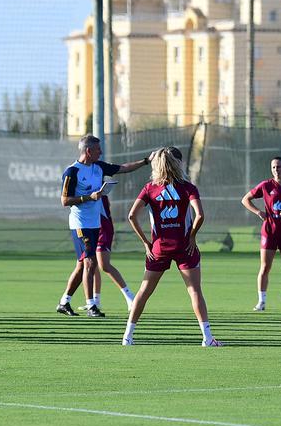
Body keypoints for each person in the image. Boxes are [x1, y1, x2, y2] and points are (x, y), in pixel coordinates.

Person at [122, 147, 220, 346]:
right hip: (185, 246)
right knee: (194, 291)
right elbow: (200, 214)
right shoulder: (187, 187)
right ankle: (207, 338)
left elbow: (131, 216)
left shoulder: (150, 188)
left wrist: (146, 243)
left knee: (143, 292)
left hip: (159, 248)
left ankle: (127, 337)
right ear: (178, 164)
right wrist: (192, 236)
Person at [57, 135, 149, 317]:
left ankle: (64, 302)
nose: (101, 152)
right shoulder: (72, 172)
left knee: (82, 265)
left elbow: (123, 168)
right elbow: (65, 200)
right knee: (90, 262)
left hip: (95, 222)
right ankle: (91, 306)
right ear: (88, 151)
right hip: (80, 223)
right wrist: (88, 197)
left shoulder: (98, 167)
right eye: (98, 149)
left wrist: (146, 161)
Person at [241, 156, 281, 311]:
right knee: (265, 267)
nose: (276, 170)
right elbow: (245, 199)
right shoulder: (266, 185)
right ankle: (261, 302)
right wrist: (258, 212)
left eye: (279, 166)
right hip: (269, 232)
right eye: (273, 167)